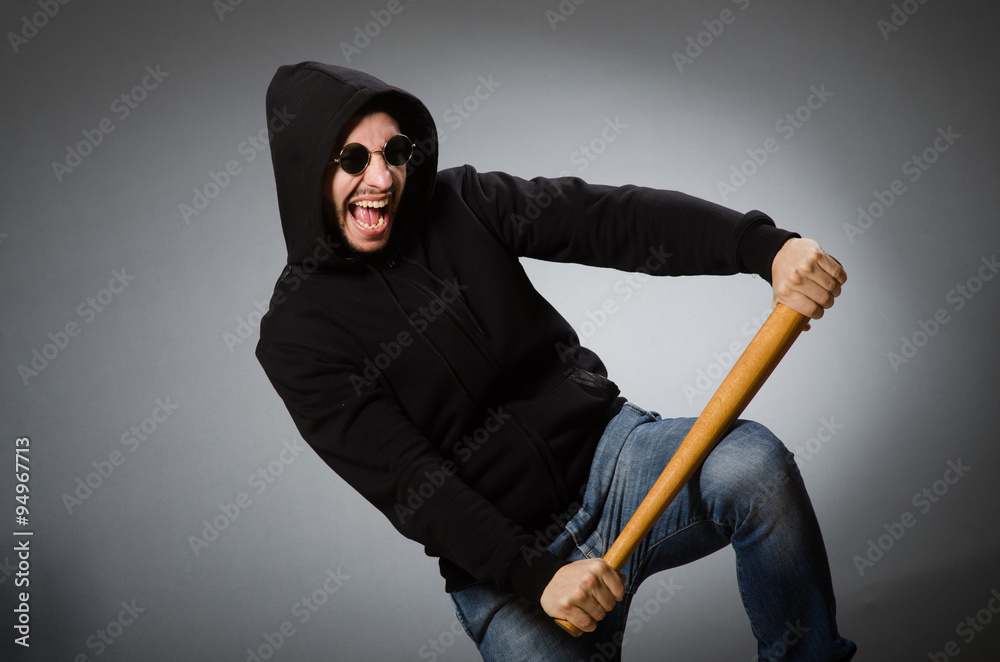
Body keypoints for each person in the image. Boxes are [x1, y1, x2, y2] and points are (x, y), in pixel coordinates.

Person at [256, 61, 856, 661]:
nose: (383, 178)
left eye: (395, 152)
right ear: (309, 171)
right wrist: (536, 576)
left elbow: (609, 219)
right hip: (506, 569)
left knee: (755, 467)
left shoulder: (464, 200)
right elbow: (412, 483)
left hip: (613, 464)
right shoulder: (296, 337)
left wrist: (764, 248)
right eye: (353, 160)